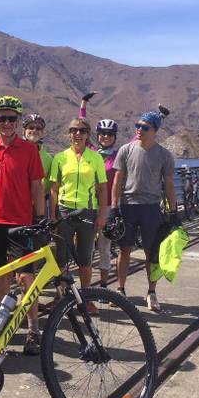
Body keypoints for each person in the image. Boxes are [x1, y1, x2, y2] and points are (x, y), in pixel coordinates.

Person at [0, 96, 45, 355]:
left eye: (11, 118)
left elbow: (37, 186)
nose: (6, 123)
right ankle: (4, 326)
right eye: (1, 118)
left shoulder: (29, 150)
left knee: (26, 277)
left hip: (21, 224)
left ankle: (34, 328)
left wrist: (40, 218)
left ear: (18, 121)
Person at [111, 110, 178, 312]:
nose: (139, 130)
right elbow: (117, 180)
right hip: (129, 206)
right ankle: (120, 290)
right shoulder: (125, 150)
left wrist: (173, 212)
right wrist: (114, 207)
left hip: (151, 208)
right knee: (124, 250)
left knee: (152, 252)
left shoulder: (164, 155)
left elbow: (168, 185)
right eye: (137, 126)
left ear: (154, 131)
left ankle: (151, 293)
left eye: (144, 127)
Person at [48, 118, 108, 315]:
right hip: (64, 212)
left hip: (87, 212)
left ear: (87, 134)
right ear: (69, 134)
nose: (77, 134)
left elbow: (101, 188)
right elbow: (54, 190)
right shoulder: (60, 158)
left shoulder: (96, 158)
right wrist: (52, 216)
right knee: (61, 257)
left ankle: (86, 299)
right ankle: (60, 296)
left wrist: (101, 215)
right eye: (73, 130)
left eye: (81, 130)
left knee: (85, 257)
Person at [90, 118, 120, 288]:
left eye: (110, 134)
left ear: (114, 137)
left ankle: (103, 284)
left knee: (104, 247)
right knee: (86, 247)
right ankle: (84, 288)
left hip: (107, 206)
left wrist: (159, 117)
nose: (106, 136)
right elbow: (81, 128)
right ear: (98, 135)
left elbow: (135, 140)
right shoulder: (92, 152)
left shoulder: (117, 155)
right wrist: (83, 105)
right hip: (89, 205)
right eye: (102, 133)